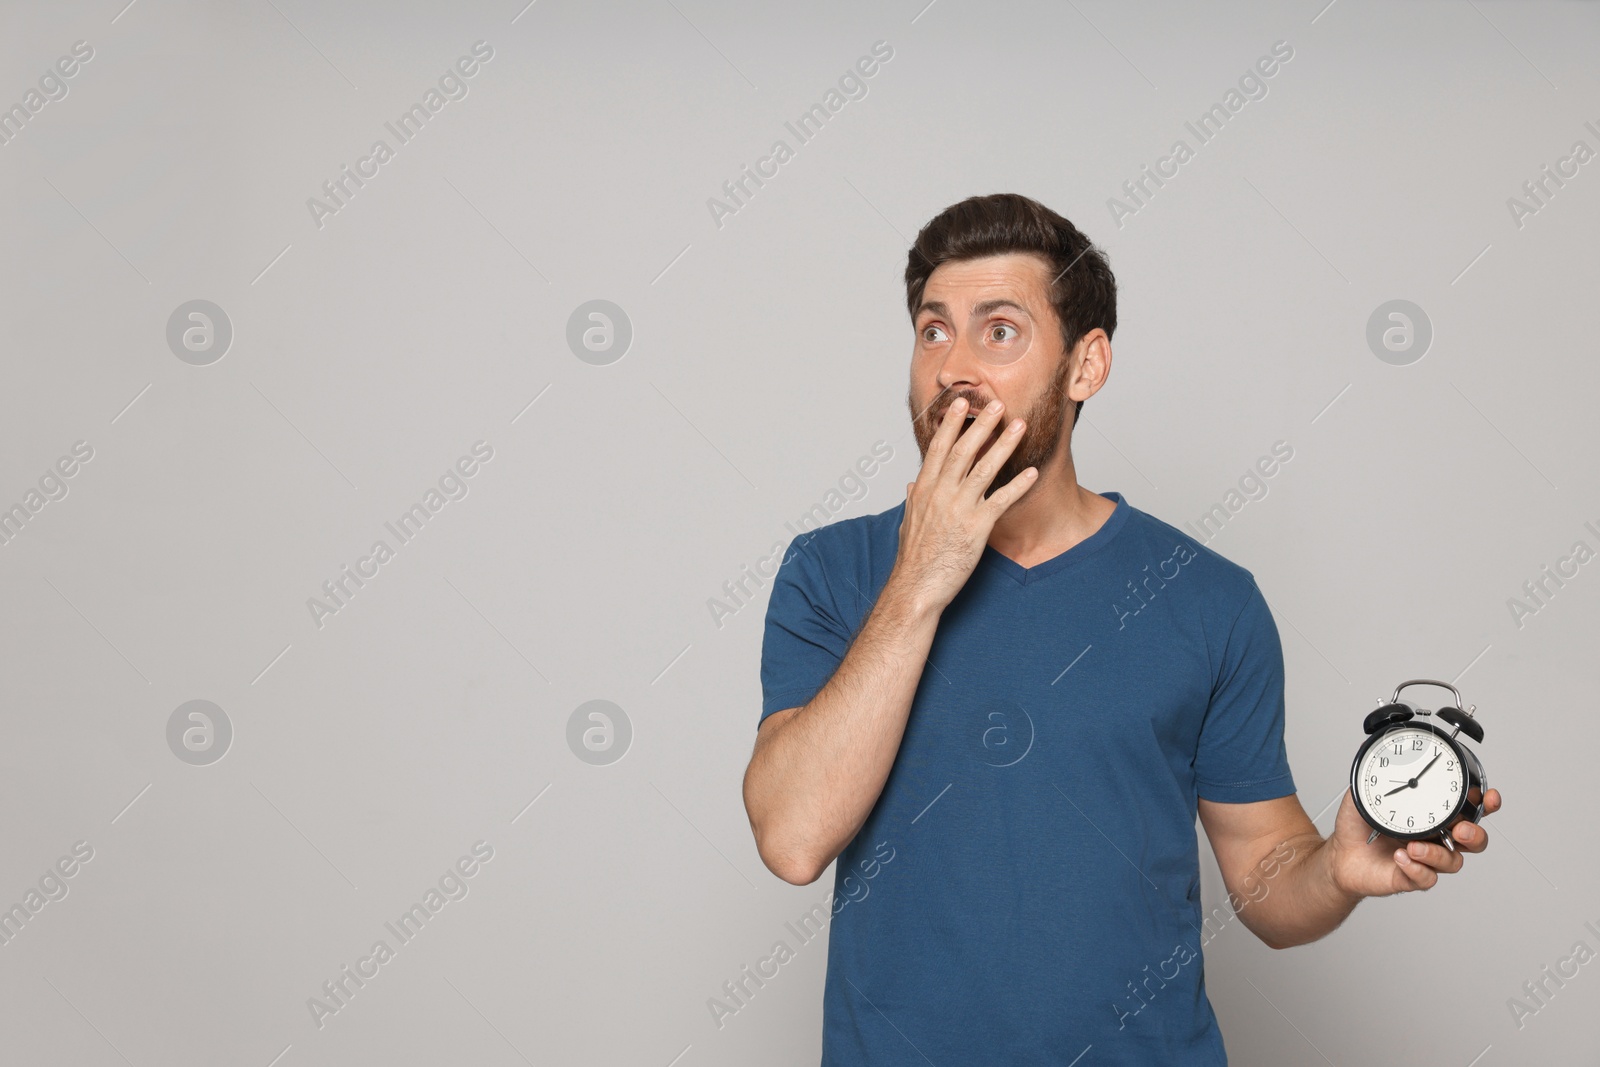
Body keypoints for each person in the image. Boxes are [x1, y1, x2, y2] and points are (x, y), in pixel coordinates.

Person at [740, 192, 1502, 1064]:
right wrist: (920, 579)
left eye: (999, 331)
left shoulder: (1209, 600)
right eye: (933, 331)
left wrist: (1334, 869)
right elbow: (792, 839)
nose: (954, 366)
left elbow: (1266, 873)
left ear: (1086, 364)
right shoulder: (832, 572)